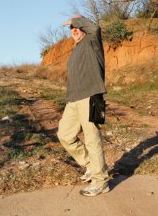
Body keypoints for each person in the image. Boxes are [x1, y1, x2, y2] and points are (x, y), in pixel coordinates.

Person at [57, 14, 109, 196]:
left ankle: (100, 180)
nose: (74, 30)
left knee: (92, 138)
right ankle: (90, 165)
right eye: (71, 28)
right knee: (64, 135)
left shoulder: (92, 41)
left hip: (90, 96)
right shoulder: (77, 49)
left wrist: (76, 19)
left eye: (77, 27)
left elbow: (94, 28)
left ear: (83, 27)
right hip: (73, 99)